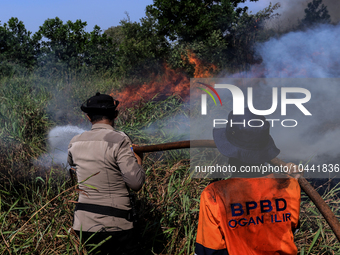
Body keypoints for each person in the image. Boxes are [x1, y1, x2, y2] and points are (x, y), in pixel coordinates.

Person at [195, 108, 301, 255]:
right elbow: (291, 230)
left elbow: (209, 251)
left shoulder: (213, 195)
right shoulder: (290, 186)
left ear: (229, 151)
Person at [68, 92, 145, 255]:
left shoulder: (74, 141)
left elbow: (71, 164)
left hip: (84, 224)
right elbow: (135, 183)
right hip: (116, 225)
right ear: (115, 114)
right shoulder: (120, 140)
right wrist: (138, 159)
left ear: (88, 117)